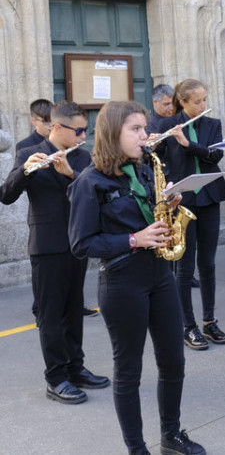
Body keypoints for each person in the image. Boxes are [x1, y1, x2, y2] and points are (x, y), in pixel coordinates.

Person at [68, 100, 205, 455]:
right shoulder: (89, 181)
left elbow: (150, 211)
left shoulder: (145, 169)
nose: (145, 135)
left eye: (144, 128)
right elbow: (82, 244)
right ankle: (136, 448)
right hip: (121, 281)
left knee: (174, 361)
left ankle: (171, 437)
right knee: (128, 371)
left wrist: (169, 204)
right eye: (136, 129)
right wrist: (133, 239)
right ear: (113, 133)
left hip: (160, 275)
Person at [1, 100, 109, 405]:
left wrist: (70, 175)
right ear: (57, 128)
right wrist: (24, 170)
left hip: (77, 243)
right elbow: (6, 195)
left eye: (85, 131)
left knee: (74, 311)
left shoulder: (83, 157)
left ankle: (76, 368)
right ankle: (56, 378)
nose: (82, 136)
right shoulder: (27, 153)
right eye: (78, 130)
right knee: (50, 316)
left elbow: (95, 198)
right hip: (47, 246)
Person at [152, 79, 225, 350]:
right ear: (182, 102)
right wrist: (153, 145)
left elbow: (214, 156)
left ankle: (209, 321)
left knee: (207, 264)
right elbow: (159, 161)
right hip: (182, 200)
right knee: (184, 268)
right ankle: (188, 325)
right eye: (197, 101)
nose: (203, 105)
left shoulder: (212, 124)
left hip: (209, 196)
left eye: (204, 100)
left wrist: (186, 143)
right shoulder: (165, 125)